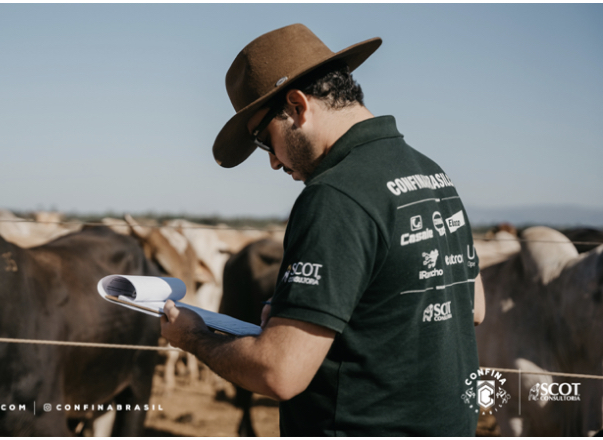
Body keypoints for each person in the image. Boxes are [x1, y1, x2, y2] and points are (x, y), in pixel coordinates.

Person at [160, 23, 485, 436]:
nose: (274, 162)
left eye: (264, 139)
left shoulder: (334, 196)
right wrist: (311, 314)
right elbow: (472, 307)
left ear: (297, 107)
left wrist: (194, 338)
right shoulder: (431, 175)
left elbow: (280, 373)